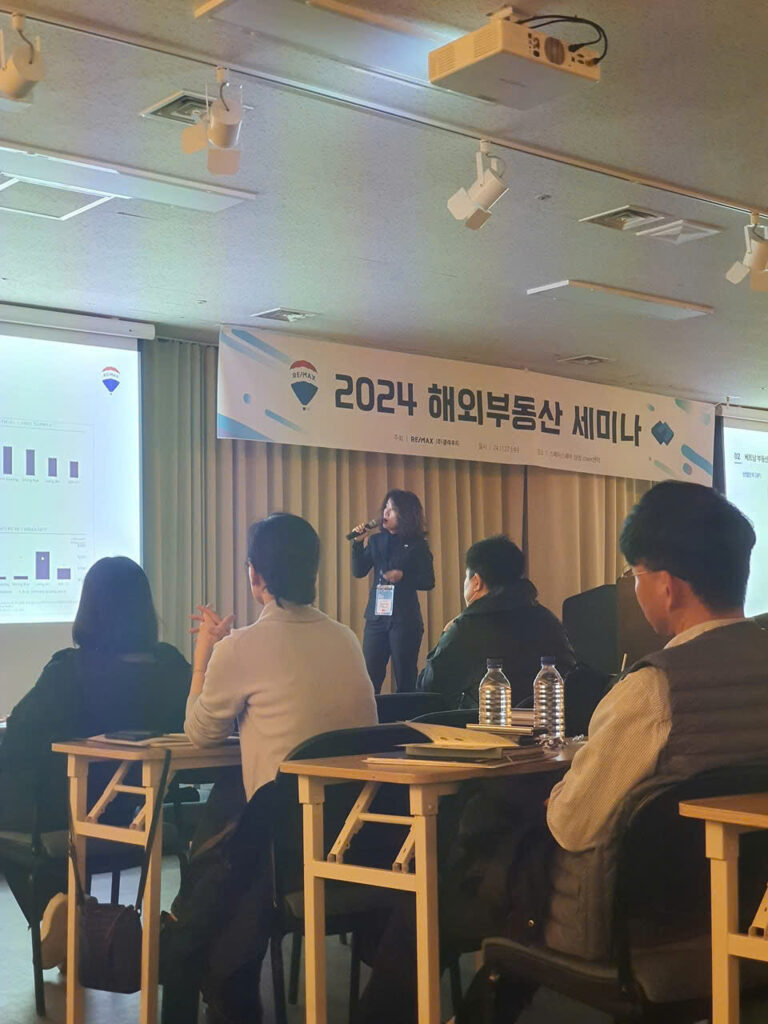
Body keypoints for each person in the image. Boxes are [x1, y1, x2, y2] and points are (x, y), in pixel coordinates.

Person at [358, 480, 768, 1024]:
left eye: (634, 575)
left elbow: (573, 825)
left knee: (442, 885)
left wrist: (556, 794)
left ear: (667, 587)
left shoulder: (654, 690)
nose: (633, 588)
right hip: (743, 915)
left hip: (619, 924)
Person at [163, 513, 377, 1024]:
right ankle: (210, 978)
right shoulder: (346, 638)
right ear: (313, 573)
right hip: (358, 839)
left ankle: (187, 975)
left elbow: (199, 733)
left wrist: (204, 654)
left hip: (282, 852)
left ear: (255, 575)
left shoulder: (240, 648)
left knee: (219, 852)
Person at [0, 556, 191, 966]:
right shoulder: (172, 668)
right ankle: (70, 915)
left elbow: (17, 735)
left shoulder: (70, 671)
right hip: (138, 815)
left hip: (66, 814)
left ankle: (57, 905)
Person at [417, 535, 575, 706]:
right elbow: (570, 674)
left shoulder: (465, 628)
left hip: (486, 722)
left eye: (466, 577)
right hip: (549, 720)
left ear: (476, 582)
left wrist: (445, 634)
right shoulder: (548, 620)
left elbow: (428, 687)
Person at [351, 489, 435, 692]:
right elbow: (359, 571)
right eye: (385, 508)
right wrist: (357, 544)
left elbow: (428, 581)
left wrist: (404, 576)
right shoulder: (376, 540)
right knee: (370, 675)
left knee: (405, 677)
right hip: (377, 618)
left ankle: (404, 713)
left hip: (404, 619)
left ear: (405, 514)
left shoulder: (418, 545)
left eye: (392, 509)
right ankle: (372, 713)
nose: (385, 513)